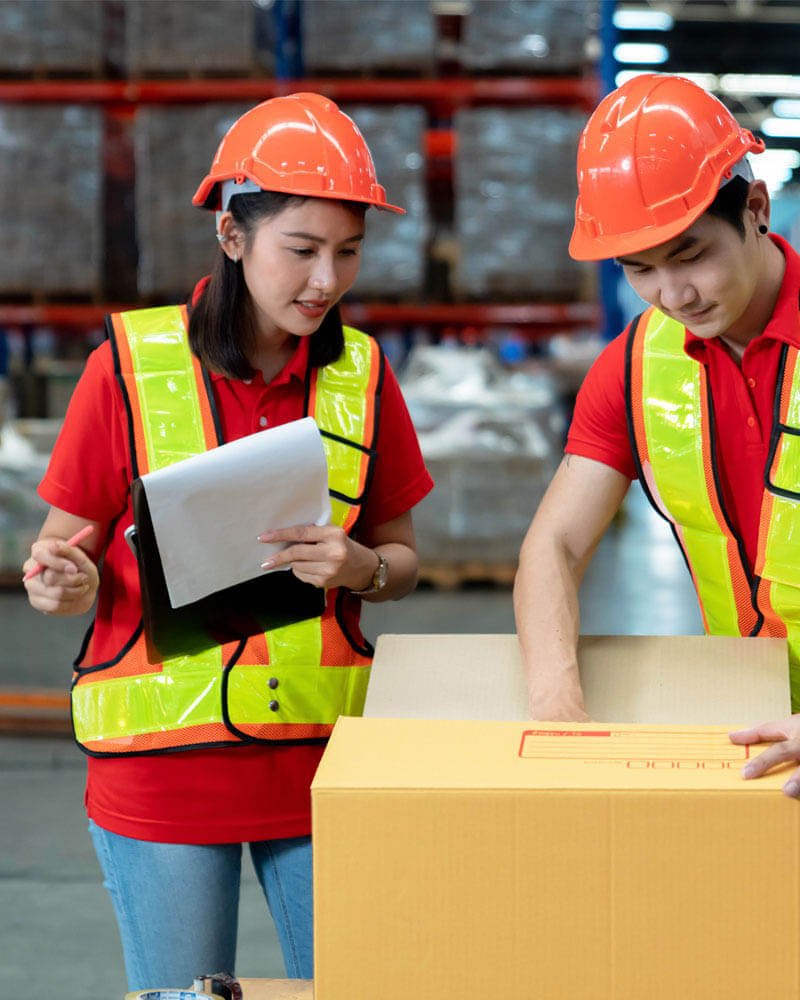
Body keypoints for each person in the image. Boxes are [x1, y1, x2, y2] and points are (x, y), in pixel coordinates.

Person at [23, 92, 433, 989]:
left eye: (349, 252)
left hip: (323, 768)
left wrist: (364, 566)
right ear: (233, 235)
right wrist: (60, 580)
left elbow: (401, 561)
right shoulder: (124, 371)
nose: (326, 280)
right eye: (302, 249)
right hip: (160, 773)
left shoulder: (362, 376)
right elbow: (64, 555)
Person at [513, 72, 800, 798]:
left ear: (756, 209)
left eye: (692, 255)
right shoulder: (635, 368)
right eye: (639, 269)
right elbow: (555, 545)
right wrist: (557, 707)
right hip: (752, 719)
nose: (674, 295)